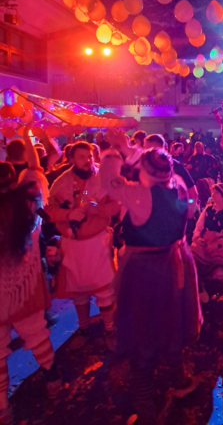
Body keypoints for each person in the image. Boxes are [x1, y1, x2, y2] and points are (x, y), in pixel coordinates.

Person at [99, 147, 202, 424]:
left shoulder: (139, 194)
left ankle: (146, 410)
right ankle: (179, 381)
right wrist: (134, 153)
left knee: (142, 333)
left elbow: (108, 180)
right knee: (172, 324)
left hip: (146, 271)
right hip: (176, 265)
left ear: (144, 171)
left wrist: (113, 151)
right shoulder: (179, 188)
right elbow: (191, 209)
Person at [46, 142, 119, 350]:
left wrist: (98, 210)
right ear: (71, 159)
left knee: (105, 290)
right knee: (78, 292)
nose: (88, 161)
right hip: (73, 245)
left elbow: (116, 205)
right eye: (82, 157)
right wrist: (67, 214)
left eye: (89, 156)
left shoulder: (104, 177)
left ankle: (110, 330)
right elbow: (49, 210)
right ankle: (84, 329)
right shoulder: (60, 182)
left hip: (98, 242)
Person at [0, 182, 61, 424]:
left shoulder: (25, 206)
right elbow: (42, 228)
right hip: (24, 287)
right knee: (36, 334)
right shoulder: (27, 207)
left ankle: (2, 406)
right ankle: (52, 379)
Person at [191, 183, 223, 303]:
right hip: (205, 242)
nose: (213, 194)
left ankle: (221, 294)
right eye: (212, 192)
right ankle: (201, 290)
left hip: (222, 244)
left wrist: (220, 242)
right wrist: (198, 238)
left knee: (218, 267)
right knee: (192, 256)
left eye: (216, 192)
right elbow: (199, 227)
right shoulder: (208, 210)